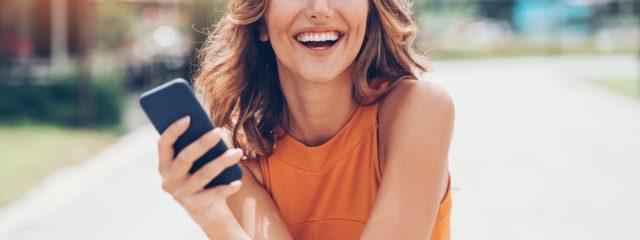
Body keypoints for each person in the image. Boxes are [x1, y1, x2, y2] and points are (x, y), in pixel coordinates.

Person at [155, 0, 454, 239]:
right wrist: (212, 216)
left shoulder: (419, 111)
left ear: (369, 10)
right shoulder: (238, 157)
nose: (319, 9)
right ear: (261, 19)